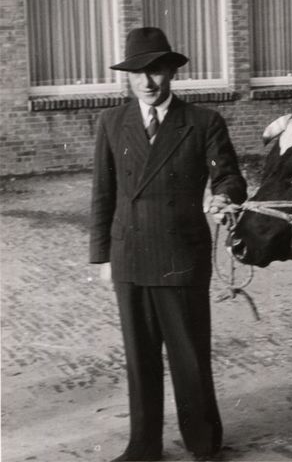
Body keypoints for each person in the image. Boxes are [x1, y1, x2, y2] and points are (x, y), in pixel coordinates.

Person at [89, 27, 247, 461]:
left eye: (156, 71)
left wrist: (224, 197)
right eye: (138, 73)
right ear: (127, 78)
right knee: (139, 360)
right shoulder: (111, 122)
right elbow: (103, 193)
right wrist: (102, 256)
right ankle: (143, 446)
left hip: (180, 254)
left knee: (189, 357)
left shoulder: (202, 122)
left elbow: (229, 175)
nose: (147, 82)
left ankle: (202, 442)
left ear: (172, 73)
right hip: (130, 254)